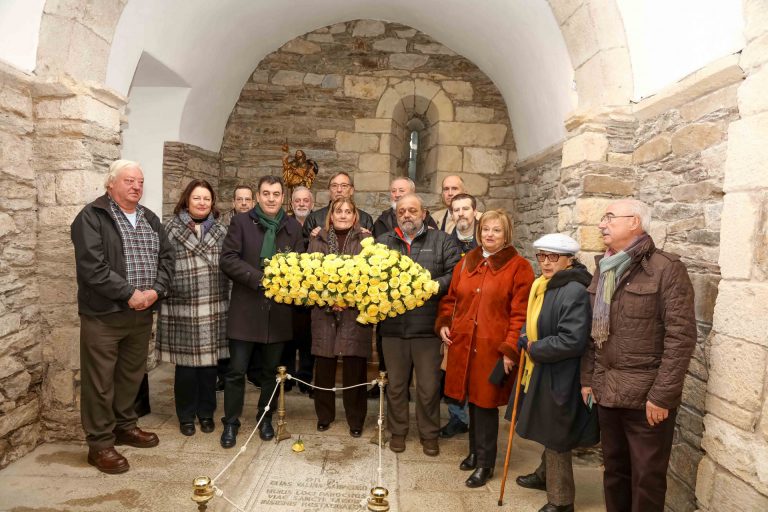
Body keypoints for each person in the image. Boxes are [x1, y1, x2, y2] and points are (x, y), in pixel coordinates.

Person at [581, 199, 696, 512]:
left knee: (647, 479)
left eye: (609, 218)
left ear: (635, 222)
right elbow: (594, 333)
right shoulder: (604, 267)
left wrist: (662, 396)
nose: (602, 224)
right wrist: (588, 379)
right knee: (614, 473)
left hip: (647, 399)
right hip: (607, 391)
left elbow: (681, 337)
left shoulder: (666, 269)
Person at [70, 159, 174, 474]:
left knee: (130, 375)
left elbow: (167, 258)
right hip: (104, 315)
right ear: (111, 183)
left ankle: (125, 426)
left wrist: (156, 291)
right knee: (99, 381)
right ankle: (100, 444)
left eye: (140, 182)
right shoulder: (92, 217)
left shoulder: (150, 218)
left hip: (141, 313)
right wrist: (130, 293)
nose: (136, 186)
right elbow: (92, 267)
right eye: (129, 181)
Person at [435, 210, 534, 487]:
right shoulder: (467, 262)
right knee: (470, 399)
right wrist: (444, 322)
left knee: (486, 404)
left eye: (496, 231)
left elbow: (520, 315)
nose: (490, 235)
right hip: (463, 344)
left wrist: (509, 349)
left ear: (507, 235)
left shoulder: (519, 267)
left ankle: (485, 463)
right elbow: (451, 298)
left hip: (492, 349)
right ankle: (474, 451)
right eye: (486, 229)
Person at [512, 234, 598, 512]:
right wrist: (526, 333)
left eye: (553, 257)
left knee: (557, 433)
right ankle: (544, 475)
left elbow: (573, 339)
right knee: (546, 425)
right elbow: (536, 318)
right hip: (545, 368)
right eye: (541, 256)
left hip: (563, 372)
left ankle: (561, 501)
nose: (546, 263)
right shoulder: (546, 285)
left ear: (569, 259)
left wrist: (535, 346)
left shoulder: (572, 289)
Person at [219, 176, 305, 448]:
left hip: (277, 312)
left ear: (283, 198)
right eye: (266, 193)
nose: (271, 198)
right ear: (257, 196)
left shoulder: (292, 227)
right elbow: (228, 259)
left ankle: (264, 418)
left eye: (276, 194)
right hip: (246, 309)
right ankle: (231, 422)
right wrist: (259, 278)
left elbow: (300, 264)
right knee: (236, 371)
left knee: (271, 372)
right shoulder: (241, 222)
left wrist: (287, 279)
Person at [376, 194, 461, 456]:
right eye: (401, 211)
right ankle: (398, 432)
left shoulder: (442, 241)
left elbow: (456, 273)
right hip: (393, 329)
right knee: (397, 387)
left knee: (428, 388)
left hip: (427, 329)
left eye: (412, 210)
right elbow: (369, 276)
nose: (407, 215)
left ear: (424, 213)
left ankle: (429, 434)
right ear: (395, 215)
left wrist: (433, 286)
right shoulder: (382, 243)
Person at [156, 180, 230, 437]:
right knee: (186, 367)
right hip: (182, 303)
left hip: (213, 302)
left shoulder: (222, 231)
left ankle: (206, 413)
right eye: (197, 198)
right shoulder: (170, 228)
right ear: (187, 200)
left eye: (206, 199)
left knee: (209, 366)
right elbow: (162, 263)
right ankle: (186, 415)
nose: (201, 203)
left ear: (212, 203)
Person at [308, 197, 373, 437]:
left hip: (355, 313)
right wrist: (328, 298)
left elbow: (370, 276)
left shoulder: (366, 240)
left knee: (354, 368)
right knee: (324, 367)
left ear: (355, 216)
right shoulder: (318, 238)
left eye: (348, 211)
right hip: (324, 312)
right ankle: (324, 416)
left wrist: (347, 299)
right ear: (331, 216)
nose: (343, 215)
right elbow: (310, 276)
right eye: (338, 211)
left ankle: (356, 420)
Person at [438, 192, 480, 439]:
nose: (461, 213)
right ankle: (457, 417)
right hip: (455, 315)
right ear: (451, 214)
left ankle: (477, 417)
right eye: (457, 210)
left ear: (475, 212)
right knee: (451, 369)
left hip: (481, 317)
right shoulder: (445, 242)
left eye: (466, 208)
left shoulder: (486, 241)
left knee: (477, 370)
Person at [217, 184, 254, 391]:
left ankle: (250, 372)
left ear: (253, 202)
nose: (243, 203)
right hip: (226, 283)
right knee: (227, 332)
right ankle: (225, 374)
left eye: (247, 199)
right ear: (233, 202)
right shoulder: (222, 224)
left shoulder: (260, 222)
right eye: (239, 199)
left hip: (248, 284)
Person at [282, 185, 315, 394]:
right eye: (297, 201)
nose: (301, 204)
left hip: (312, 291)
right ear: (291, 204)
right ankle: (287, 377)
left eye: (305, 201)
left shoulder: (319, 224)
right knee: (287, 336)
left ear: (312, 204)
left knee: (308, 338)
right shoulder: (284, 224)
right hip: (287, 291)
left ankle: (305, 377)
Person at [303, 171, 374, 237]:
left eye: (344, 186)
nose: (339, 190)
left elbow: (373, 248)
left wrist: (368, 238)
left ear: (351, 190)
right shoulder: (314, 219)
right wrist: (312, 238)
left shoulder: (365, 219)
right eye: (334, 186)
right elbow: (304, 247)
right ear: (329, 190)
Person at [372, 177, 437, 238]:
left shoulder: (424, 218)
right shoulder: (383, 219)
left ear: (412, 193)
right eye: (393, 191)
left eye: (401, 191)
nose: (397, 195)